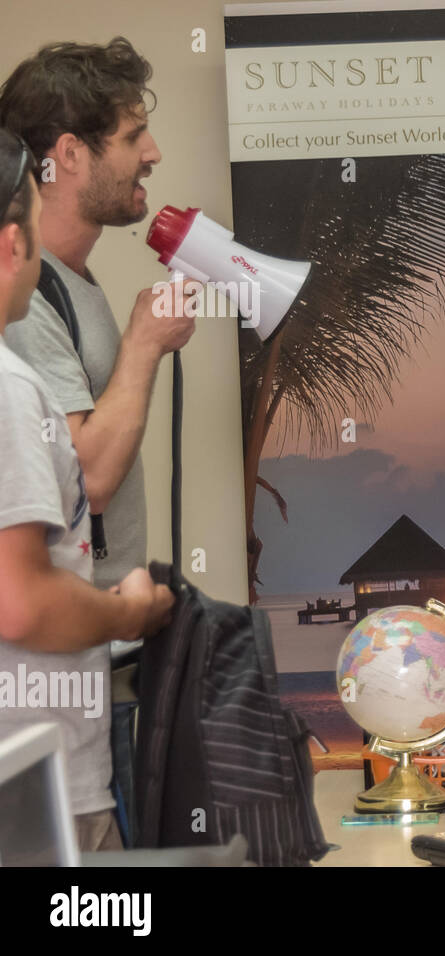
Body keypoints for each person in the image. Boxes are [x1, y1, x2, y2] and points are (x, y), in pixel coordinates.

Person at [0, 129, 174, 852]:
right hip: (39, 786)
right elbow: (22, 601)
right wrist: (127, 612)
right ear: (14, 246)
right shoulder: (10, 390)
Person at [0, 37, 195, 594]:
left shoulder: (71, 281)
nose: (152, 153)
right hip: (71, 654)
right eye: (133, 136)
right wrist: (144, 341)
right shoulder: (24, 299)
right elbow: (88, 479)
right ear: (69, 154)